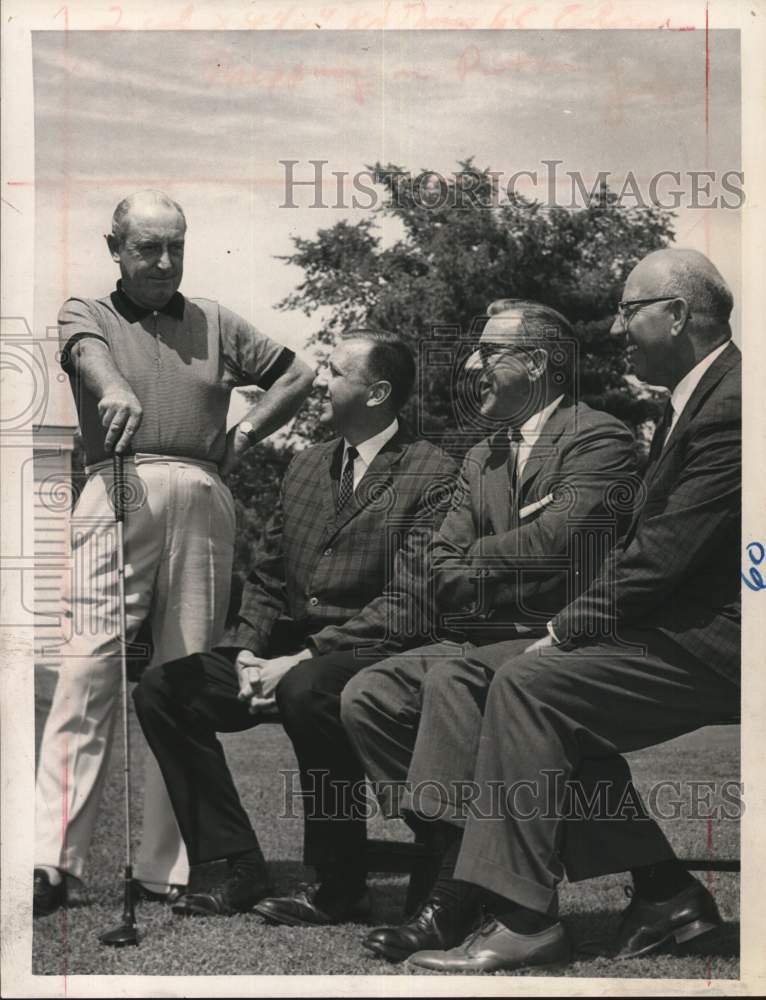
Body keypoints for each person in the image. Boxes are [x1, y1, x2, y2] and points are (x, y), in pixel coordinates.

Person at [389, 248, 740, 974]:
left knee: (529, 685)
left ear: (675, 315)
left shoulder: (730, 406)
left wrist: (561, 630)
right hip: (675, 629)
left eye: (629, 309)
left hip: (722, 641)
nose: (615, 328)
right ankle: (664, 897)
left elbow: (661, 557)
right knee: (483, 678)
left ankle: (522, 919)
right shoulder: (692, 401)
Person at [257, 298, 637, 932]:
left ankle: (453, 888)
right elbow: (439, 568)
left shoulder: (599, 438)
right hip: (481, 640)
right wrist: (515, 547)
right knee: (369, 694)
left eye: (489, 352)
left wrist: (486, 558)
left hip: (563, 639)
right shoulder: (481, 457)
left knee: (447, 684)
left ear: (537, 363)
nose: (471, 364)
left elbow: (560, 547)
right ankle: (457, 855)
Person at [33, 190, 313, 917]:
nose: (163, 261)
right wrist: (113, 385)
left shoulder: (215, 319)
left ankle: (174, 864)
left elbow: (299, 373)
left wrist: (246, 434)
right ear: (115, 247)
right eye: (148, 247)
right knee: (89, 667)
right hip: (117, 484)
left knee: (181, 678)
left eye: (176, 247)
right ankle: (51, 861)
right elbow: (85, 353)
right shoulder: (86, 311)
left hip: (203, 486)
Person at [132, 330, 458, 919]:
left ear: (378, 392)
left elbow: (411, 601)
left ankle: (342, 885)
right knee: (163, 689)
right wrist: (246, 654)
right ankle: (235, 865)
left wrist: (303, 658)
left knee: (308, 691)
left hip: (376, 650)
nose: (322, 382)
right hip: (286, 651)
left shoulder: (434, 472)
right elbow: (269, 577)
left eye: (336, 372)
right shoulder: (307, 466)